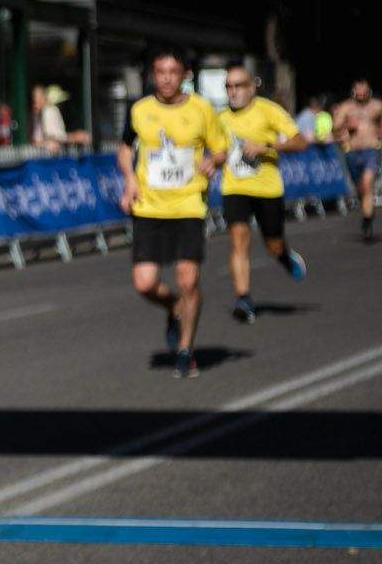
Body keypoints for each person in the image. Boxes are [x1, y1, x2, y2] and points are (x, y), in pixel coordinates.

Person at [118, 47, 226, 378]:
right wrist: (129, 180)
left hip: (188, 205)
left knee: (187, 278)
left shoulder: (202, 109)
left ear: (184, 76)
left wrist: (212, 161)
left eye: (172, 71)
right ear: (153, 74)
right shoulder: (139, 109)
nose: (166, 77)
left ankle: (185, 350)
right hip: (150, 206)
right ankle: (173, 307)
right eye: (160, 71)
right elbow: (125, 147)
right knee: (144, 282)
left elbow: (220, 148)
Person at [217, 68, 309, 323]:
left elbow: (300, 141)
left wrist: (266, 146)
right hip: (234, 187)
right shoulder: (220, 118)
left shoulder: (268, 110)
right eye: (228, 87)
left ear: (251, 87)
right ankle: (243, 298)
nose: (233, 92)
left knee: (273, 244)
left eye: (238, 86)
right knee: (238, 240)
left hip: (267, 189)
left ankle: (283, 256)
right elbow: (217, 150)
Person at [332, 78, 381, 242]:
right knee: (361, 189)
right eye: (358, 93)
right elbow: (335, 127)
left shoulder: (376, 106)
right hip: (352, 153)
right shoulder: (346, 107)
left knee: (367, 184)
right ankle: (368, 215)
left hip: (371, 150)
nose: (361, 96)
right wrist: (345, 126)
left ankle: (367, 223)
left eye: (364, 93)